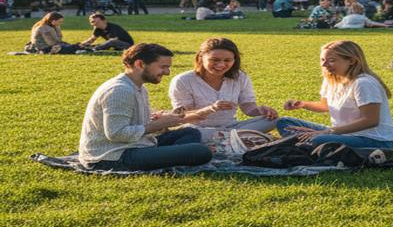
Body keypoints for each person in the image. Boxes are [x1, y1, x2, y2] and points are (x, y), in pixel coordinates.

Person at [78, 43, 213, 170]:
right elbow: (116, 134)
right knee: (200, 151)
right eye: (163, 67)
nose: (167, 72)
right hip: (112, 156)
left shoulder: (138, 87)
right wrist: (158, 125)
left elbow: (137, 124)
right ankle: (170, 157)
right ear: (140, 64)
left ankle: (167, 157)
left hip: (135, 144)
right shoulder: (119, 90)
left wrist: (160, 119)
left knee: (191, 132)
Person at [276, 40, 393, 149]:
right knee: (284, 123)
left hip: (372, 140)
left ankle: (300, 144)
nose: (324, 65)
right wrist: (302, 104)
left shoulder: (363, 83)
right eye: (322, 60)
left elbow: (370, 120)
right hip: (340, 133)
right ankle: (302, 144)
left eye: (331, 60)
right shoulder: (331, 79)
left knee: (318, 139)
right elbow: (324, 106)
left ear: (352, 61)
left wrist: (326, 132)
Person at [168, 37, 279, 137]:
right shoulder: (183, 80)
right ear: (201, 58)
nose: (221, 65)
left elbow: (247, 106)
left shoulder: (240, 77)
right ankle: (235, 137)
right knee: (195, 133)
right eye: (215, 60)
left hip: (231, 126)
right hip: (199, 129)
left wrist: (261, 111)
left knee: (274, 120)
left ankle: (228, 137)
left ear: (234, 60)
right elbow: (182, 116)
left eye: (227, 60)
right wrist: (211, 109)